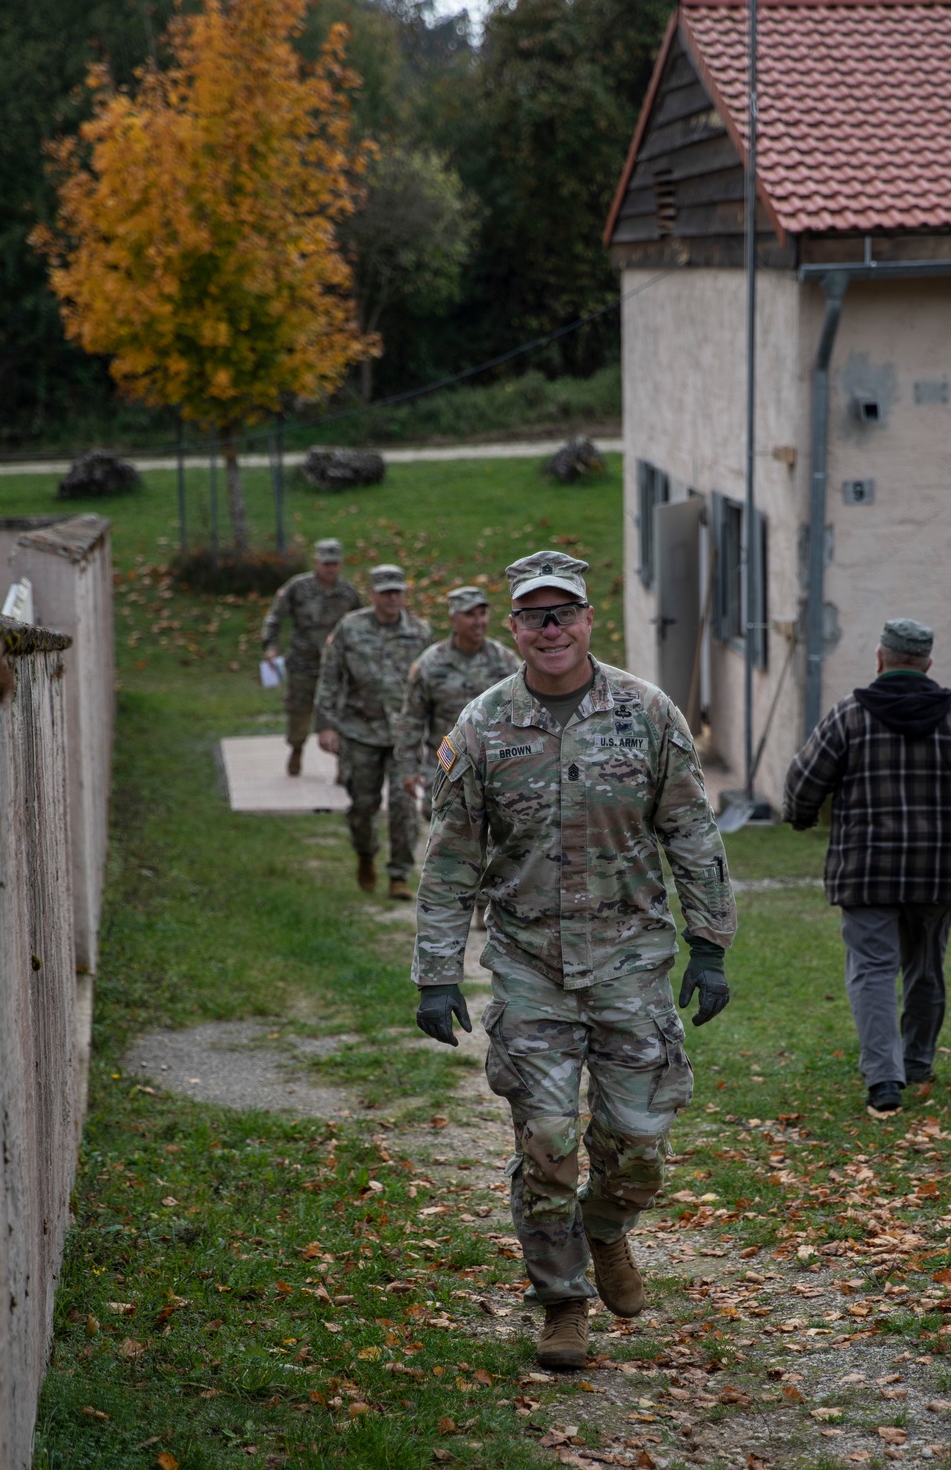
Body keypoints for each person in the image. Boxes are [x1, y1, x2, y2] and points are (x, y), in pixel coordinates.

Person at [411, 549, 736, 1370]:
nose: (549, 629)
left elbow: (692, 834)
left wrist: (709, 944)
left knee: (638, 1152)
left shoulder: (647, 713)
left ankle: (608, 1229)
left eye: (564, 613)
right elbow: (451, 860)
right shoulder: (483, 726)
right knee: (548, 1144)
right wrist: (438, 970)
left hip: (631, 966)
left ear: (590, 620)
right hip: (530, 967)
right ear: (514, 628)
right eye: (533, 615)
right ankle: (561, 1303)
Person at [784, 618, 951, 1116]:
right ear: (927, 664)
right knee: (926, 968)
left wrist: (800, 819)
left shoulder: (848, 717)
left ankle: (885, 1081)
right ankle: (919, 1061)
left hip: (865, 871)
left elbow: (802, 786)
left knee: (873, 971)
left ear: (880, 659)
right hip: (940, 872)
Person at [315, 564, 431, 899]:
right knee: (363, 806)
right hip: (359, 731)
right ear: (373, 594)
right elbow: (330, 678)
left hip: (403, 737)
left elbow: (428, 685)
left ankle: (399, 875)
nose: (393, 598)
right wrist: (325, 725)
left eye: (398, 591)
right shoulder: (350, 629)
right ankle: (365, 854)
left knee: (403, 805)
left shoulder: (419, 632)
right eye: (386, 592)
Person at [394, 585, 520, 820]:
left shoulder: (506, 662)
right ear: (453, 618)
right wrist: (407, 769)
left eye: (482, 614)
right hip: (444, 768)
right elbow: (411, 719)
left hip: (494, 769)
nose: (478, 621)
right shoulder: (430, 664)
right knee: (445, 844)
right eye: (469, 615)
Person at [261, 538, 361, 776]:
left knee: (340, 711)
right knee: (299, 709)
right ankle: (296, 748)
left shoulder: (348, 593)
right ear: (316, 562)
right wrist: (270, 646)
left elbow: (362, 626)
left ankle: (342, 763)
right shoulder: (298, 587)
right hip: (303, 662)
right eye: (325, 563)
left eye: (334, 563)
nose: (330, 568)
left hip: (337, 666)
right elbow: (274, 617)